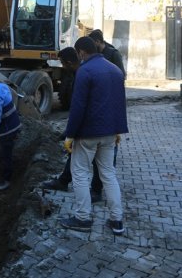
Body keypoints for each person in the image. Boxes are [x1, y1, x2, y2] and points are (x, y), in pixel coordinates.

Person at [59, 36, 128, 235]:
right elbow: (120, 103)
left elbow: (78, 107)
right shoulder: (115, 70)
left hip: (88, 134)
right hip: (109, 134)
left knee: (80, 173)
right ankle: (117, 221)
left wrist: (70, 135)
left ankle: (82, 218)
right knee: (108, 174)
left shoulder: (85, 71)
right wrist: (117, 130)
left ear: (81, 52)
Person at [42, 47, 104, 203]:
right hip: (88, 123)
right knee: (75, 153)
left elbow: (79, 106)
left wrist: (70, 133)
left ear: (69, 62)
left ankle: (95, 192)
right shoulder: (77, 73)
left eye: (63, 63)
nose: (62, 66)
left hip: (94, 125)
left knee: (98, 159)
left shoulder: (83, 74)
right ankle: (64, 181)